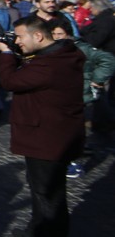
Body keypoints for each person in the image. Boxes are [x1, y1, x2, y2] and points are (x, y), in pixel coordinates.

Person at [0, 16, 85, 237]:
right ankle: (39, 236)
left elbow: (11, 82)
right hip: (53, 136)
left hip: (47, 139)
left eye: (21, 37)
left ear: (39, 37)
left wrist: (7, 54)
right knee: (44, 193)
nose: (17, 41)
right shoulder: (61, 54)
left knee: (48, 197)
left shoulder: (49, 65)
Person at [47, 20, 115, 178]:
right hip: (57, 96)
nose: (57, 37)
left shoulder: (81, 48)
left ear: (68, 34)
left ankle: (73, 163)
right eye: (54, 34)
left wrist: (97, 80)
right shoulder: (50, 49)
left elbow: (108, 60)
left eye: (60, 34)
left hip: (78, 96)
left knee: (71, 131)